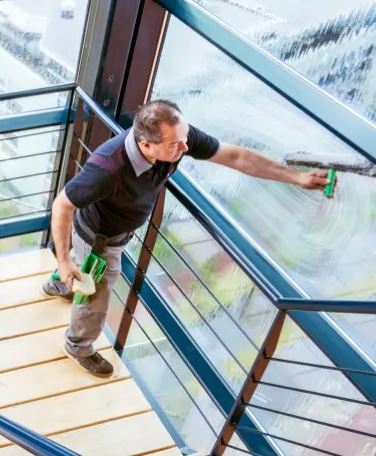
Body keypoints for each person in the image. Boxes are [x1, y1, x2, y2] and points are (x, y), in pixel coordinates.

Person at [46, 100, 329, 377]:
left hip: (119, 228)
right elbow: (62, 205)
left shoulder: (177, 137)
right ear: (146, 145)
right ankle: (78, 346)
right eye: (175, 145)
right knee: (98, 290)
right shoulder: (106, 168)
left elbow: (236, 157)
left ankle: (62, 280)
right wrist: (61, 258)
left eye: (184, 139)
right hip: (100, 239)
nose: (185, 148)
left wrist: (297, 178)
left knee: (78, 269)